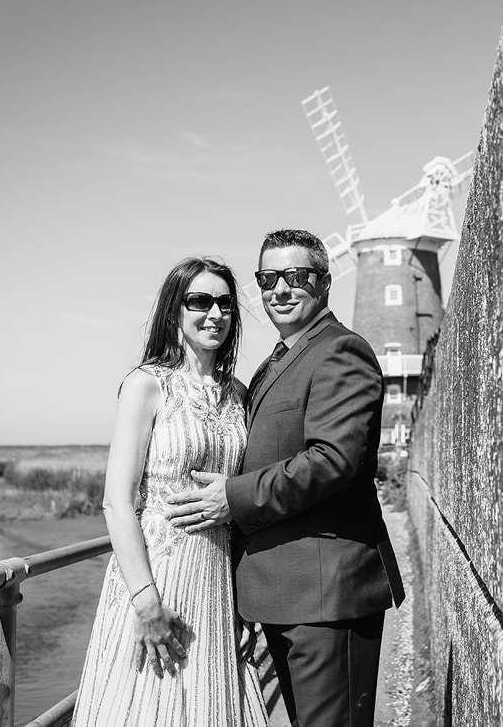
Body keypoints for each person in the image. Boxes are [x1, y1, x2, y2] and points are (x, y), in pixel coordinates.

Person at [167, 228, 405, 727]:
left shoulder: (341, 351)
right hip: (280, 591)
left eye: (295, 276)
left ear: (323, 282)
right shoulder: (274, 363)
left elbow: (332, 459)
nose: (280, 288)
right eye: (268, 277)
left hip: (327, 592)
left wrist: (232, 498)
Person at [72, 257, 268, 727]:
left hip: (218, 580)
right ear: (174, 311)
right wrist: (146, 600)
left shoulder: (239, 395)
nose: (214, 314)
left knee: (211, 705)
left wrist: (247, 609)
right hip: (157, 577)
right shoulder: (146, 385)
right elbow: (117, 502)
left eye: (224, 303)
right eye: (199, 301)